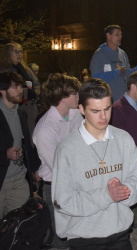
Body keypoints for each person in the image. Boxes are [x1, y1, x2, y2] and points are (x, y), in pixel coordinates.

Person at [51, 79, 137, 249]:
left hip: (120, 233)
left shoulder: (124, 139)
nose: (103, 117)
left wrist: (125, 191)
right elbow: (63, 201)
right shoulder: (67, 148)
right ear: (81, 109)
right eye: (95, 111)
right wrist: (107, 195)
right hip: (83, 238)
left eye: (107, 108)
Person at [32, 74, 83, 248]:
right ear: (63, 98)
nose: (78, 96)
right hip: (56, 187)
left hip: (77, 183)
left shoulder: (76, 114)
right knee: (60, 239)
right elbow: (59, 167)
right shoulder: (45, 129)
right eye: (75, 93)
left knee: (77, 234)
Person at [0, 72, 39, 217]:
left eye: (20, 86)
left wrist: (35, 169)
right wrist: (5, 154)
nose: (20, 90)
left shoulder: (21, 113)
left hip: (18, 180)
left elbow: (27, 145)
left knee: (18, 228)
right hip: (2, 181)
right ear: (2, 90)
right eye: (15, 87)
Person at [89, 24, 137, 101]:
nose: (120, 37)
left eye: (121, 34)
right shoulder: (99, 55)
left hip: (122, 101)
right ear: (108, 36)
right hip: (106, 101)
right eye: (117, 34)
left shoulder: (123, 54)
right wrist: (116, 72)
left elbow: (128, 75)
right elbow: (96, 79)